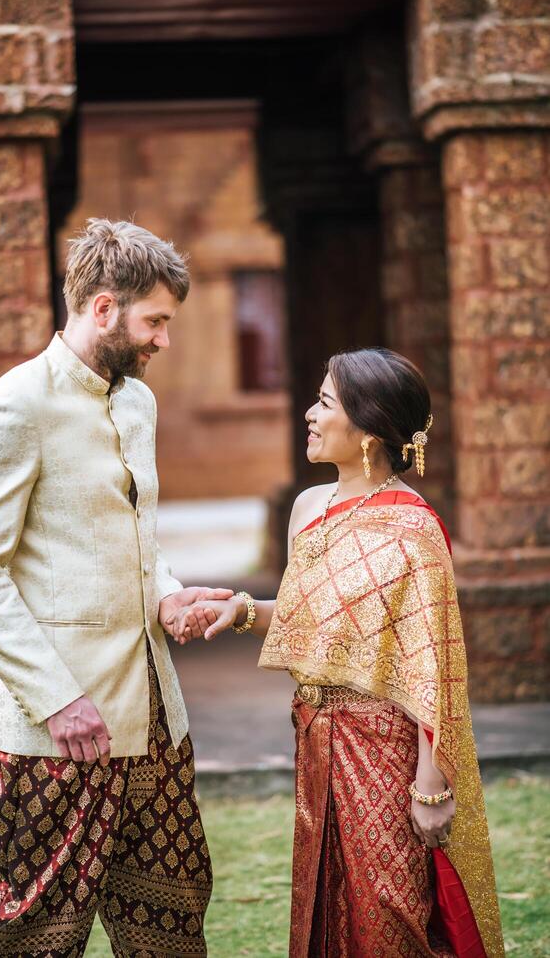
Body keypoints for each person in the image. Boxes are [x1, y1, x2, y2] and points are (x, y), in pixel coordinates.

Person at [0, 218, 231, 957]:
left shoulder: (138, 402)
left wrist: (166, 594)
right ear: (103, 308)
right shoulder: (13, 406)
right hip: (53, 731)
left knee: (171, 924)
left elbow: (138, 535)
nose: (163, 340)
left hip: (155, 719)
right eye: (156, 321)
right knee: (33, 935)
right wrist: (56, 697)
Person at [169, 348, 505, 958]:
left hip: (385, 749)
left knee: (390, 913)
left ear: (370, 433)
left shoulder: (414, 530)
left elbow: (436, 666)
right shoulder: (308, 509)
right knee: (326, 908)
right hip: (317, 737)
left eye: (325, 403)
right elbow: (313, 619)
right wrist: (242, 611)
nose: (309, 414)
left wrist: (431, 786)